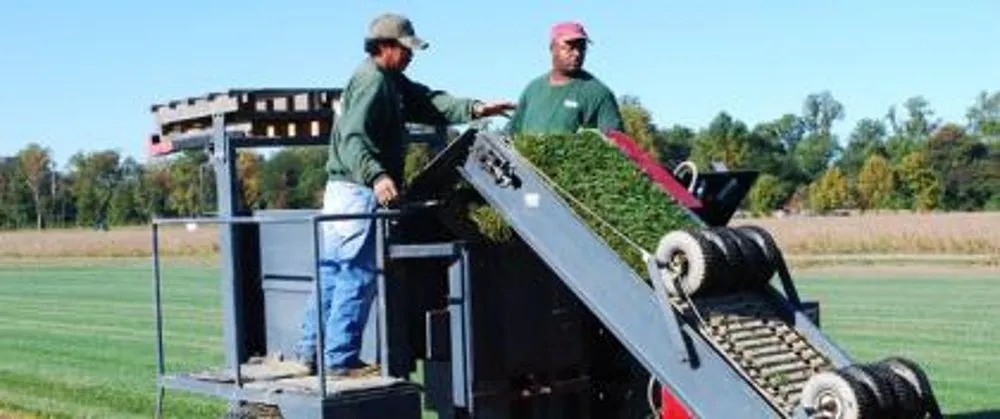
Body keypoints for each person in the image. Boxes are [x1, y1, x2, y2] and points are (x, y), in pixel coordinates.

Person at [293, 12, 515, 377]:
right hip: (358, 191)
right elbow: (353, 138)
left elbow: (428, 102)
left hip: (343, 189)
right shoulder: (372, 82)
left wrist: (474, 108)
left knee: (332, 271)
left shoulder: (391, 81)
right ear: (384, 46)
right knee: (357, 273)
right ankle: (339, 360)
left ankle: (309, 352)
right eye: (405, 48)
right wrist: (377, 176)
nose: (411, 55)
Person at [506, 21, 624, 135]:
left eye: (582, 48)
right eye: (569, 47)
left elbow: (615, 142)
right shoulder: (533, 90)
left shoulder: (599, 94)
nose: (577, 53)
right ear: (552, 48)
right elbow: (511, 136)